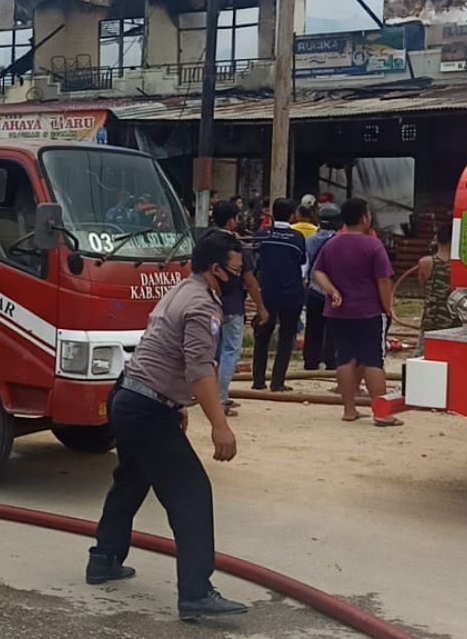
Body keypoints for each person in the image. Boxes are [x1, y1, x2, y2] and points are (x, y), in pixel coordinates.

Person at [86, 231, 248, 624]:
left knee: (132, 480)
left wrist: (175, 404)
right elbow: (199, 370)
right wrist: (220, 425)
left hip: (130, 398)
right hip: (145, 409)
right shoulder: (201, 307)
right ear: (216, 270)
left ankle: (104, 560)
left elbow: (164, 349)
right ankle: (196, 595)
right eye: (236, 271)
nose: (240, 278)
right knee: (191, 492)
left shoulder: (183, 289)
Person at [312, 198, 401, 427]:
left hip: (337, 312)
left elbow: (318, 272)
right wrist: (387, 307)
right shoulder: (373, 246)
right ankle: (381, 413)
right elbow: (383, 280)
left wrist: (333, 292)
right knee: (373, 360)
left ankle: (349, 410)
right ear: (364, 218)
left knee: (345, 358)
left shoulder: (331, 244)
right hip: (368, 311)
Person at [209, 201, 268, 415]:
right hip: (232, 306)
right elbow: (250, 280)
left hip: (209, 304)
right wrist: (261, 307)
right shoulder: (237, 246)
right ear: (232, 220)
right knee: (230, 351)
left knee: (212, 352)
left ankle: (210, 395)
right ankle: (220, 399)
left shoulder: (205, 242)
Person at [251, 198, 306, 392]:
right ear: (292, 215)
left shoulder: (262, 236)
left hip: (267, 293)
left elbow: (255, 261)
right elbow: (301, 261)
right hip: (291, 293)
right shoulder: (297, 238)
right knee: (286, 337)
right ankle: (277, 382)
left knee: (262, 336)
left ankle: (258, 380)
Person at [303, 202, 342, 371]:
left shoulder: (311, 240)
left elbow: (305, 264)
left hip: (313, 290)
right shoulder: (339, 241)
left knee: (313, 328)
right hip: (334, 291)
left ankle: (311, 361)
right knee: (333, 328)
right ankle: (331, 361)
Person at [416, 220, 460, 354]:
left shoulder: (425, 263)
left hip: (431, 321)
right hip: (455, 324)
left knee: (425, 357)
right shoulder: (461, 267)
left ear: (437, 239)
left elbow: (424, 288)